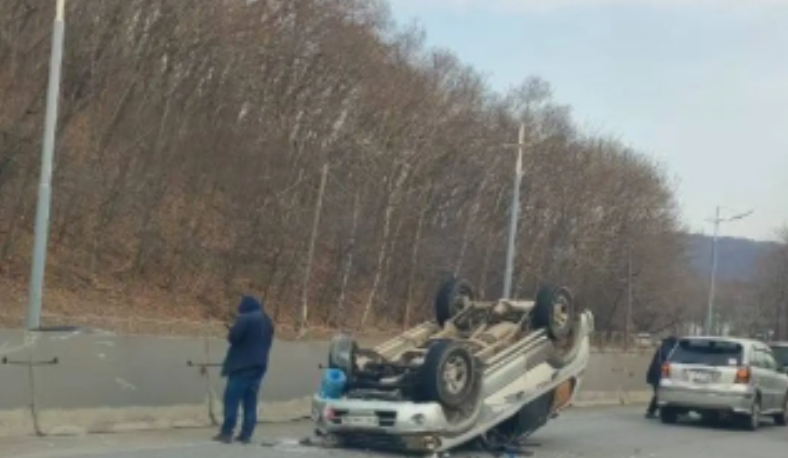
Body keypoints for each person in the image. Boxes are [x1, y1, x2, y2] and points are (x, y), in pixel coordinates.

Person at [213, 295, 274, 444]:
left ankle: (227, 432)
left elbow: (234, 338)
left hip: (241, 366)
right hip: (260, 366)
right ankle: (246, 434)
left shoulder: (245, 318)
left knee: (231, 400)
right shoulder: (267, 321)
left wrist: (232, 329)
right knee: (250, 401)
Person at [645, 335, 677, 419]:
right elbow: (667, 361)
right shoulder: (669, 349)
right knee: (659, 394)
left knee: (658, 394)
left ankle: (653, 411)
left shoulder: (662, 348)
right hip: (660, 375)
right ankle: (652, 411)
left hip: (655, 374)